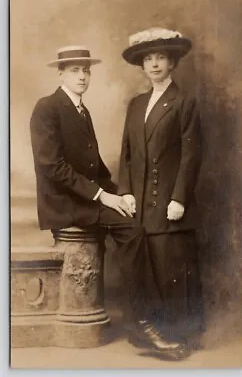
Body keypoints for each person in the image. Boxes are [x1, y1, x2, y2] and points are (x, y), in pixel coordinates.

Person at [29, 45, 188, 359]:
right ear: (60, 73)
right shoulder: (47, 107)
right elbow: (52, 167)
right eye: (75, 70)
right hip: (64, 203)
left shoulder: (81, 110)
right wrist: (104, 196)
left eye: (86, 70)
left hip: (85, 198)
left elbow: (95, 167)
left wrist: (123, 194)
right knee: (132, 231)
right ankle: (143, 324)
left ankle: (145, 321)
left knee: (133, 217)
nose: (82, 76)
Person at [118, 28, 205, 349]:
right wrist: (125, 190)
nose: (154, 64)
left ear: (173, 62)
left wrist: (179, 197)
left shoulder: (184, 102)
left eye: (161, 58)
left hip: (168, 202)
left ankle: (178, 337)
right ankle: (151, 336)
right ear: (142, 65)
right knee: (147, 269)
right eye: (148, 59)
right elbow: (126, 152)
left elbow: (192, 154)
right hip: (140, 204)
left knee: (172, 270)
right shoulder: (136, 104)